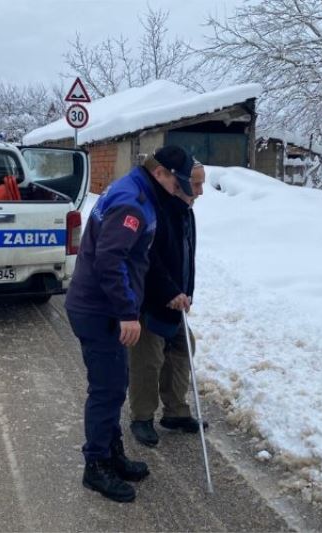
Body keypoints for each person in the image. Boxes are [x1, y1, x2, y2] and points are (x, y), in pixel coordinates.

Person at [65, 145, 196, 503]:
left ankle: (112, 454)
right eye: (177, 182)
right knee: (106, 390)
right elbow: (110, 260)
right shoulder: (132, 203)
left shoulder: (137, 190)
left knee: (116, 383)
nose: (180, 189)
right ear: (161, 173)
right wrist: (126, 312)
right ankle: (96, 466)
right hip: (99, 310)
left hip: (103, 307)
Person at [128, 157, 207, 447]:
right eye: (196, 183)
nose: (200, 191)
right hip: (151, 299)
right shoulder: (156, 210)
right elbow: (148, 259)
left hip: (177, 300)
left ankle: (175, 412)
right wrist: (169, 291)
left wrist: (186, 291)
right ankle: (142, 417)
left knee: (183, 347)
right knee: (148, 359)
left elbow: (185, 256)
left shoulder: (185, 211)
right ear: (181, 182)